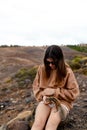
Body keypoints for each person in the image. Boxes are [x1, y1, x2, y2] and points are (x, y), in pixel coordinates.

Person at [31, 45, 80, 130]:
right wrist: (43, 96)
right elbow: (36, 87)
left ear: (59, 60)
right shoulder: (42, 69)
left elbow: (74, 93)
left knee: (50, 126)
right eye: (48, 62)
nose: (50, 65)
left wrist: (55, 92)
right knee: (38, 125)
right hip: (46, 101)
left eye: (53, 62)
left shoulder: (67, 71)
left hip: (62, 103)